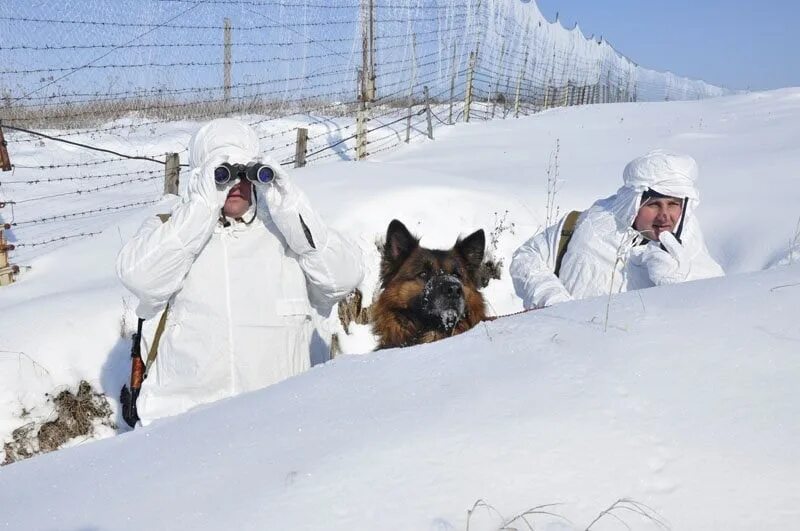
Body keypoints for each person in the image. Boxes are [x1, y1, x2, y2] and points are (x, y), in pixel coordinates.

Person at [116, 118, 364, 424]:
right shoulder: (169, 228)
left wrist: (292, 209)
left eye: (243, 172)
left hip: (279, 422)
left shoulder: (287, 230)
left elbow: (342, 280)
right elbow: (140, 278)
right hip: (182, 425)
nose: (234, 184)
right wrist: (199, 213)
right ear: (199, 177)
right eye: (222, 174)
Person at [510, 150, 724, 309]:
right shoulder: (591, 225)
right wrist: (554, 302)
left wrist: (681, 286)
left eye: (673, 204)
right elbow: (527, 258)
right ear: (633, 203)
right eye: (654, 205)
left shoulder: (689, 240)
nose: (665, 216)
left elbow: (718, 307)